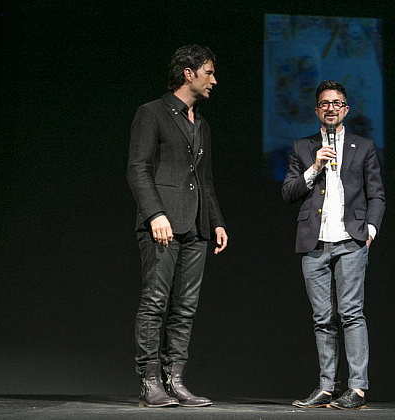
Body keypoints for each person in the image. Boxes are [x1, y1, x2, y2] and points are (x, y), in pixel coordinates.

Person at [126, 44, 228, 408]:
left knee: (185, 307)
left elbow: (206, 179)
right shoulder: (151, 113)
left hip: (196, 225)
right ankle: (150, 381)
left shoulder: (200, 123)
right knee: (155, 301)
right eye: (209, 72)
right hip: (163, 223)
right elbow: (138, 169)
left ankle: (176, 380)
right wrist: (155, 213)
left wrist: (215, 221)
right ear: (189, 73)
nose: (213, 80)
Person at [282, 80, 385, 410]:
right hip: (315, 242)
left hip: (351, 240)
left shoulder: (363, 146)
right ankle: (327, 386)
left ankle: (357, 387)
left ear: (346, 109)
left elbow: (377, 194)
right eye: (324, 103)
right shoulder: (302, 147)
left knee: (352, 313)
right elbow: (289, 192)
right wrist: (314, 167)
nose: (330, 108)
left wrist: (369, 227)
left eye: (337, 103)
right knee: (322, 317)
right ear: (317, 110)